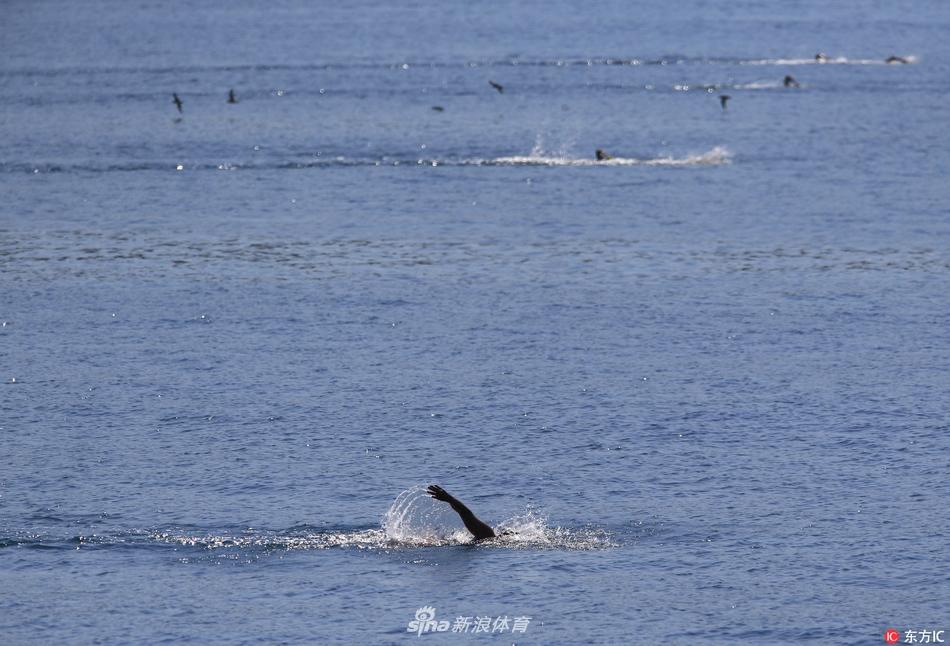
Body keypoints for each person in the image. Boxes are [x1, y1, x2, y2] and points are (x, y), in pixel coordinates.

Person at [426, 485, 496, 540]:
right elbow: (465, 513)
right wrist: (449, 499)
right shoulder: (488, 536)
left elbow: (464, 512)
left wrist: (449, 499)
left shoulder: (488, 536)